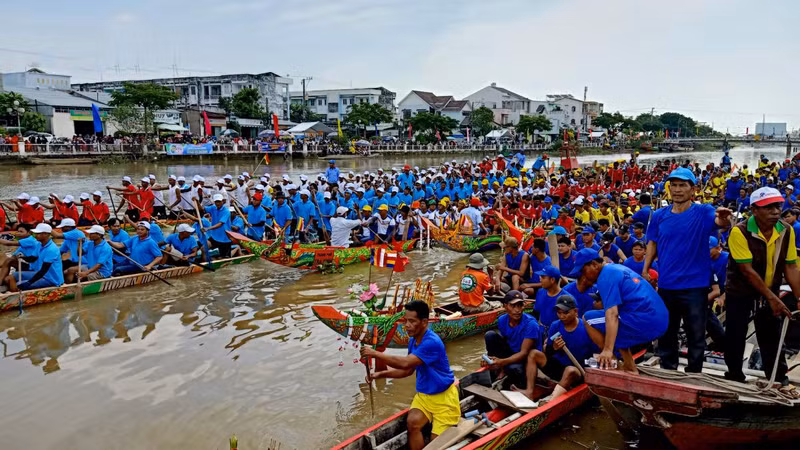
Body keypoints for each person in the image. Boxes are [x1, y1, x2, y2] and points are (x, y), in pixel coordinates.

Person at [644, 167, 732, 373]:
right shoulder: (659, 216)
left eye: (682, 185)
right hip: (667, 285)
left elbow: (720, 222)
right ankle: (668, 370)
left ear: (693, 189)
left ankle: (694, 373)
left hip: (695, 286)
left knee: (696, 334)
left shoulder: (703, 212)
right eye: (673, 185)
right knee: (667, 332)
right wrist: (645, 268)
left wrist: (725, 219)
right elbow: (652, 243)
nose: (677, 190)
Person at [724, 187, 800, 386]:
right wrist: (772, 298)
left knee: (771, 335)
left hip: (770, 289)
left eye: (778, 206)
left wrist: (799, 297)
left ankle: (777, 378)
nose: (776, 211)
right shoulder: (739, 232)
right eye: (769, 207)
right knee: (736, 334)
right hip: (741, 291)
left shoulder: (786, 230)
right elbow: (747, 271)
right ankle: (734, 376)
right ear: (755, 210)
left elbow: (791, 266)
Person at [361, 301, 459, 450]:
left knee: (437, 445)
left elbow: (406, 363)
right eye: (405, 320)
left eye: (412, 321)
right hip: (424, 396)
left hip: (444, 398)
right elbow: (408, 371)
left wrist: (375, 353)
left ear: (424, 322)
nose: (407, 325)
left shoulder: (432, 342)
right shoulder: (413, 339)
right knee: (412, 424)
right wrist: (380, 374)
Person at [573, 249, 669, 373]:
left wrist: (607, 349)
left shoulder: (605, 276)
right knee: (616, 324)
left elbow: (612, 314)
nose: (583, 276)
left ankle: (611, 362)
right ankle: (629, 367)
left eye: (583, 271)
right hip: (657, 318)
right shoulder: (615, 268)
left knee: (589, 319)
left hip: (647, 319)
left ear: (594, 265)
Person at [517, 296, 593, 402]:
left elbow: (595, 354)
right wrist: (554, 347)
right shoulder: (555, 326)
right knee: (533, 353)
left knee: (570, 370)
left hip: (578, 370)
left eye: (565, 313)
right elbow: (548, 352)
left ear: (575, 311)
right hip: (558, 368)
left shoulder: (586, 328)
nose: (561, 316)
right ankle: (529, 391)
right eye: (559, 312)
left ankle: (551, 401)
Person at [482, 290, 541, 389]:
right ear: (505, 306)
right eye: (513, 306)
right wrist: (491, 359)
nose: (517, 310)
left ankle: (507, 371)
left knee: (513, 369)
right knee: (490, 335)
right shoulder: (502, 320)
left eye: (519, 306)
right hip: (512, 352)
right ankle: (499, 369)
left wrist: (502, 361)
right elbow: (505, 341)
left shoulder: (531, 324)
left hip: (526, 360)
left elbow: (524, 353)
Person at [4, 223, 63, 291]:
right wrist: (21, 258)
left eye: (38, 233)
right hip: (41, 274)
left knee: (17, 284)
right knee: (10, 278)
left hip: (51, 279)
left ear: (46, 234)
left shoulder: (52, 249)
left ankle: (15, 297)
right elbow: (32, 259)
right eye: (35, 233)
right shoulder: (39, 244)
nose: (35, 236)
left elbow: (43, 271)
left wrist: (29, 283)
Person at [533, 265, 568, 333]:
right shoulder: (540, 292)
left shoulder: (566, 298)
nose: (540, 279)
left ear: (552, 280)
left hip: (558, 334)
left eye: (543, 277)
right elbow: (536, 313)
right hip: (541, 331)